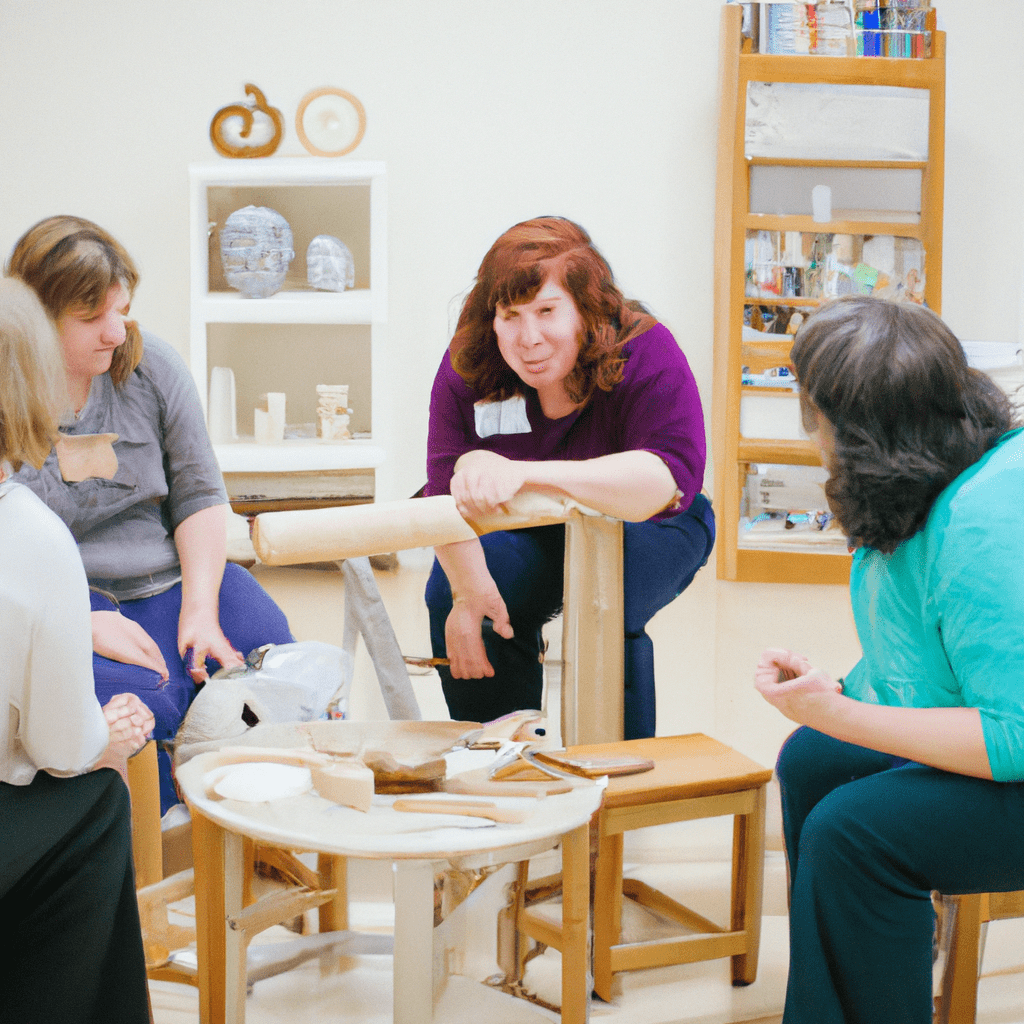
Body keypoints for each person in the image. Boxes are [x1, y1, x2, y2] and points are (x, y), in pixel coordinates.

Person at [754, 295, 1024, 1024]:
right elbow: (921, 662)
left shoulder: (982, 523)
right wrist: (828, 700)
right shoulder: (934, 477)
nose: (809, 430)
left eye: (812, 410)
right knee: (814, 758)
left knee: (854, 832)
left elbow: (1015, 739)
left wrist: (839, 710)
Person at [7, 216, 294, 813]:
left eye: (123, 308)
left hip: (171, 581)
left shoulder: (153, 368)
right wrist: (77, 619)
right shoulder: (11, 393)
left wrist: (201, 609)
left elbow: (199, 495)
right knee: (146, 704)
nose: (116, 331)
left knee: (275, 668)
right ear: (34, 318)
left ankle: (264, 842)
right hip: (61, 599)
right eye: (91, 318)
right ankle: (158, 866)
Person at [424, 217, 714, 738]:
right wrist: (466, 595)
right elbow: (443, 492)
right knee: (462, 594)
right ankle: (505, 770)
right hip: (527, 525)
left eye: (547, 311)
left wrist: (522, 473)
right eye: (511, 315)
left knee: (604, 595)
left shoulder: (645, 349)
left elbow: (665, 479)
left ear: (585, 310)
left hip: (649, 520)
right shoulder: (470, 362)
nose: (528, 338)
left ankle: (614, 787)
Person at [0, 276, 154, 1024]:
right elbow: (60, 749)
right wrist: (109, 734)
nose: (113, 332)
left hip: (153, 592)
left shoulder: (155, 377)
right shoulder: (28, 535)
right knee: (93, 803)